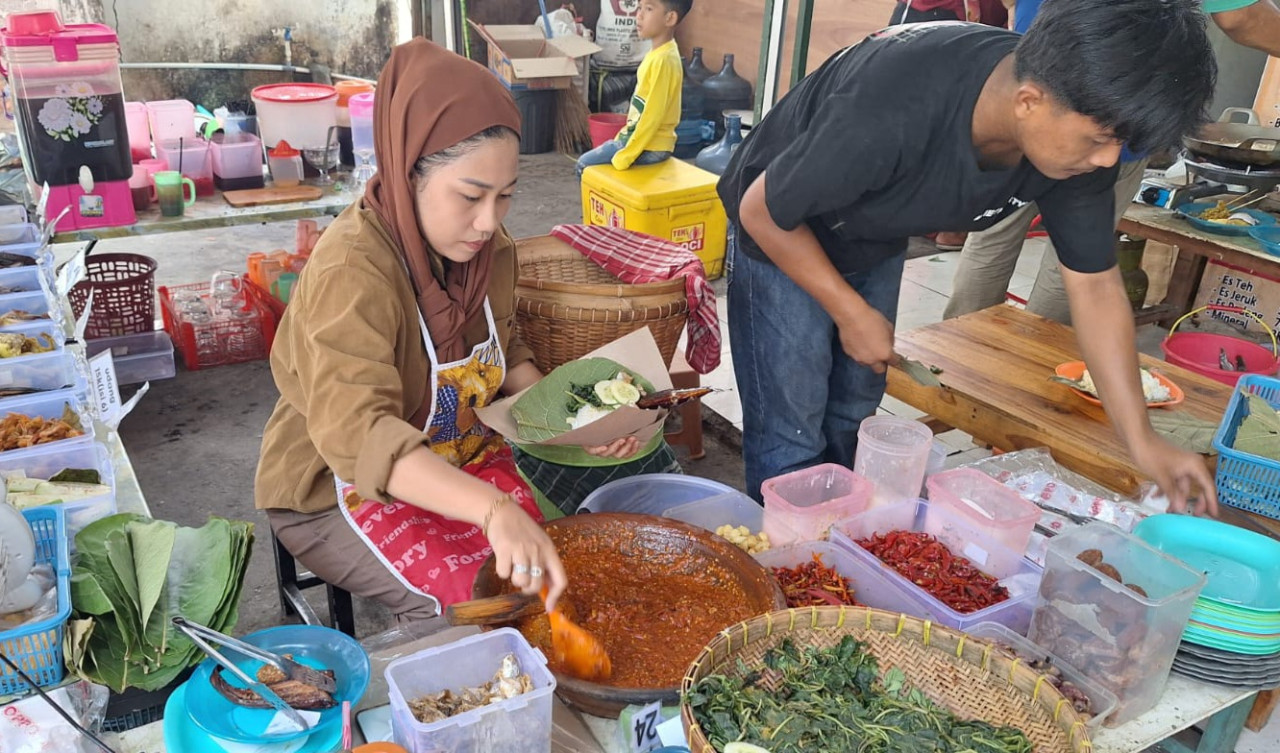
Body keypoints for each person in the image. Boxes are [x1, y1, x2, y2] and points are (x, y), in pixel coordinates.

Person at [718, 0, 1221, 515]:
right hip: (782, 230)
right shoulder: (896, 102)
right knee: (793, 426)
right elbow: (763, 211)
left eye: (1119, 143)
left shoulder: (1077, 122)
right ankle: (786, 561)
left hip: (872, 229)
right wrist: (849, 311)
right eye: (1098, 140)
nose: (1107, 160)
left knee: (853, 409)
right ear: (1029, 101)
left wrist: (1141, 440)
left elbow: (1095, 286)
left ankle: (844, 547)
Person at [255, 39, 637, 622]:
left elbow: (505, 353)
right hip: (337, 485)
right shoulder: (353, 272)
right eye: (470, 196)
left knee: (559, 575)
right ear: (407, 173)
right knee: (484, 605)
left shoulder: (491, 254)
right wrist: (490, 511)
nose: (489, 222)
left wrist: (575, 420)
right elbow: (362, 438)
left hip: (457, 457)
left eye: (505, 196)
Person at [945, 0, 1280, 324]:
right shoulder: (1105, 149)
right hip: (1114, 108)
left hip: (1035, 95)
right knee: (1077, 264)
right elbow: (1240, 17)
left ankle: (958, 355)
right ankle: (1033, 364)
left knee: (995, 236)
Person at [575, 0, 691, 177]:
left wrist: (627, 154)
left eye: (649, 9)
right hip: (642, 141)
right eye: (639, 8)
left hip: (651, 147)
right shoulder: (659, 53)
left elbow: (652, 116)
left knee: (584, 165)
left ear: (670, 18)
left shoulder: (663, 61)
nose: (639, 15)